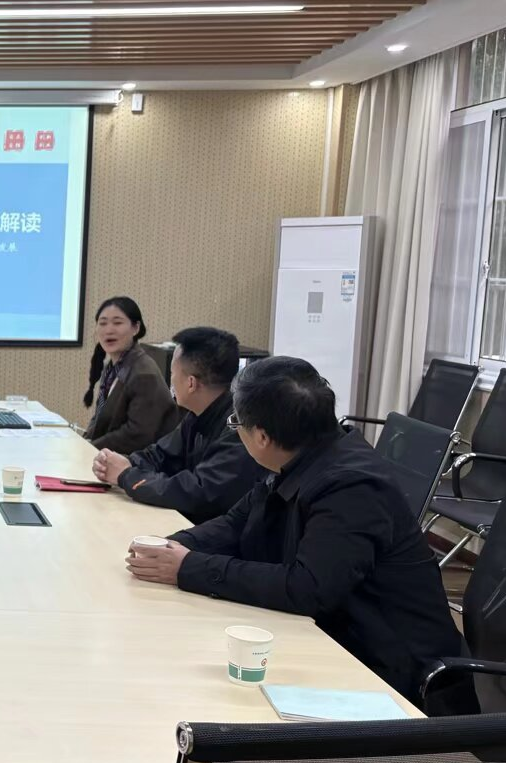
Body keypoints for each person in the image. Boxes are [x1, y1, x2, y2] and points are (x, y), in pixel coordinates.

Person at [124, 357, 472, 711]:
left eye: (236, 422)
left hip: (394, 678)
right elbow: (236, 522)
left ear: (261, 437)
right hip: (338, 637)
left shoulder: (352, 486)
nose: (235, 431)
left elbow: (307, 589)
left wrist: (188, 568)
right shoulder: (301, 453)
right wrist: (173, 547)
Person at [91, 326, 263, 524]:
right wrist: (122, 463)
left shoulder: (239, 426)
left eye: (172, 373)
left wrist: (126, 475)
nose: (170, 380)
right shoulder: (197, 413)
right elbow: (160, 455)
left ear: (191, 383)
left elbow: (198, 492)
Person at [82, 296, 178, 453]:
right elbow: (100, 418)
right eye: (103, 323)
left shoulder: (144, 373)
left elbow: (137, 434)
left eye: (117, 323)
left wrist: (89, 448)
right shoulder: (112, 367)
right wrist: (83, 441)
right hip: (109, 455)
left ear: (136, 328)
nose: (109, 330)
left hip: (137, 461)